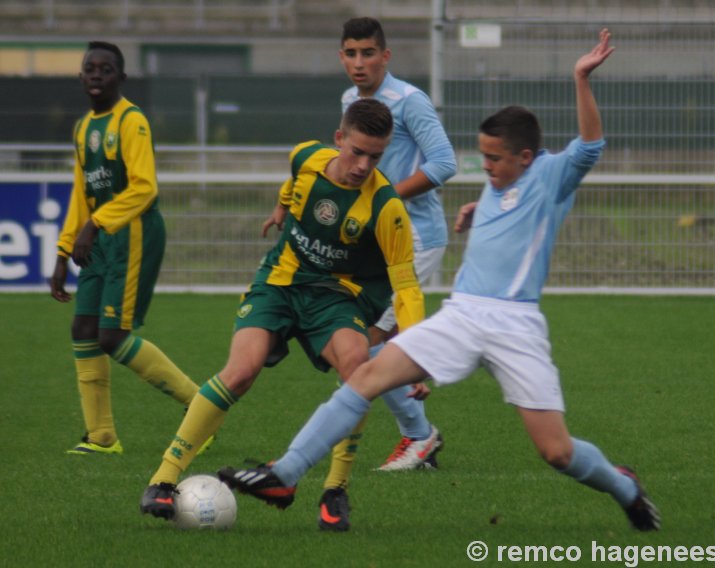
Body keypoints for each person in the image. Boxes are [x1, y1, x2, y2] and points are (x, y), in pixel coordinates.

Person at [217, 29, 662, 532]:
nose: (486, 167)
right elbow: (501, 213)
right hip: (463, 313)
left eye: (495, 159)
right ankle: (286, 474)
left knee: (556, 452)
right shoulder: (497, 187)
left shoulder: (550, 177)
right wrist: (479, 211)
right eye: (483, 157)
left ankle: (624, 486)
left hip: (515, 326)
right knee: (364, 374)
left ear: (526, 158)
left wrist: (580, 79)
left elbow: (590, 145)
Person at [140, 98, 433, 530]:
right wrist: (280, 209)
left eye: (376, 156)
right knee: (240, 371)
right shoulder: (306, 156)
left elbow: (406, 286)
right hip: (280, 281)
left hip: (336, 297)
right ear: (339, 140)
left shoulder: (386, 207)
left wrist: (416, 357)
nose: (363, 165)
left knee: (358, 370)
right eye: (356, 152)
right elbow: (292, 182)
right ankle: (163, 479)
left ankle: (335, 491)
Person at [311, 16, 457, 529]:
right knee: (357, 345)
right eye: (350, 52)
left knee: (370, 345)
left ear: (386, 56)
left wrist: (387, 200)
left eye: (368, 53)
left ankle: (420, 436)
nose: (358, 63)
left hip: (414, 238)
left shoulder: (410, 101)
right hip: (372, 242)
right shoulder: (352, 105)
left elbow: (444, 163)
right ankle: (420, 435)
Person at [50, 41, 211, 456]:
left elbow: (144, 187)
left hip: (133, 232)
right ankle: (102, 437)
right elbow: (80, 193)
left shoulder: (131, 121)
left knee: (112, 336)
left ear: (121, 78)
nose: (97, 74)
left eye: (106, 69)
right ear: (81, 76)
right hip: (99, 236)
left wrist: (95, 224)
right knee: (84, 330)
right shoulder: (84, 128)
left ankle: (202, 408)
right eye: (90, 68)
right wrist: (63, 251)